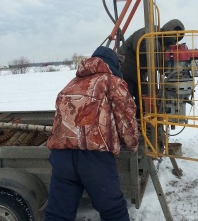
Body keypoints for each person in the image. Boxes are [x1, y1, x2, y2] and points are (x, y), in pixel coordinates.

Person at [44, 46, 139, 221]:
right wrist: (131, 144)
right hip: (95, 159)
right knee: (113, 212)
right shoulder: (112, 82)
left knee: (58, 214)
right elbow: (126, 119)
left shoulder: (71, 84)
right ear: (113, 65)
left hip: (62, 157)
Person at [119, 19, 185, 116]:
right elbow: (145, 49)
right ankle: (128, 123)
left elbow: (161, 66)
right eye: (174, 33)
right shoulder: (150, 31)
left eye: (177, 37)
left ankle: (141, 123)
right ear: (168, 28)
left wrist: (171, 69)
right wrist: (161, 61)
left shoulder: (164, 46)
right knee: (125, 101)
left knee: (145, 100)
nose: (174, 38)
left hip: (139, 73)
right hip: (126, 68)